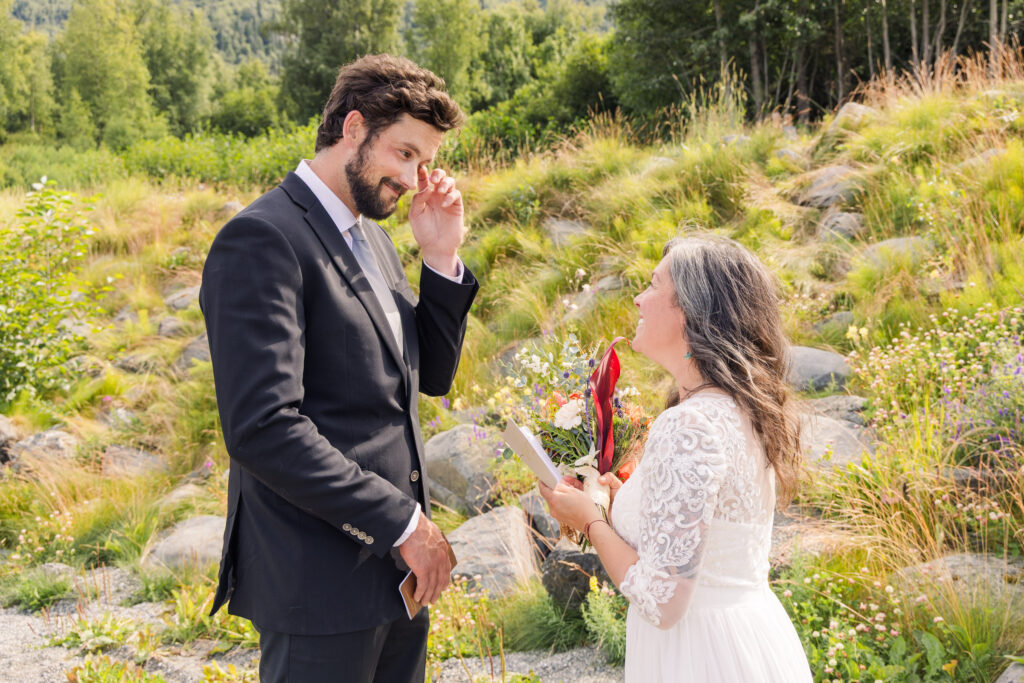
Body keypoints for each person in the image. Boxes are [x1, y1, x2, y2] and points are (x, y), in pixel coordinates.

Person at [199, 54, 479, 683]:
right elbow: (262, 429)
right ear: (354, 128)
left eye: (424, 162)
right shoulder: (262, 239)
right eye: (404, 153)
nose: (413, 178)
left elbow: (426, 378)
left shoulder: (372, 237)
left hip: (396, 582)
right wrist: (403, 523)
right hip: (318, 589)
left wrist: (440, 257)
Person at [539, 235, 812, 682]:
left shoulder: (689, 424)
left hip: (700, 656)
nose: (638, 299)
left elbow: (661, 601)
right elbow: (703, 532)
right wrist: (621, 501)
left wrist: (590, 521)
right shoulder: (742, 410)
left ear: (689, 310)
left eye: (652, 285)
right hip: (750, 640)